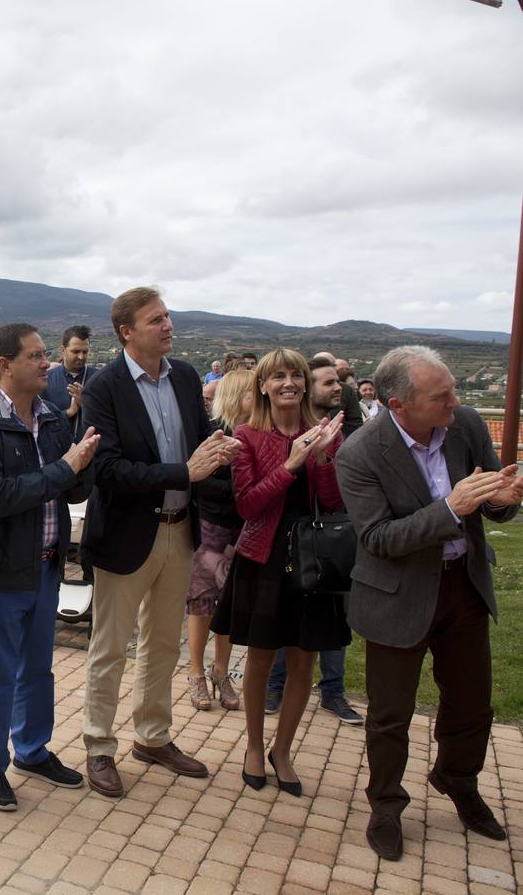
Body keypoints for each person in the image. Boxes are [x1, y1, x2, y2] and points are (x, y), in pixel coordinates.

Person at [337, 345, 521, 861]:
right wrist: (450, 509)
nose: (456, 402)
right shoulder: (360, 453)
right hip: (396, 596)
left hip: (463, 586)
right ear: (399, 404)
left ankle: (457, 779)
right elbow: (377, 538)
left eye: (454, 391)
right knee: (390, 715)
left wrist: (504, 500)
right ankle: (387, 805)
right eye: (443, 395)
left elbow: (493, 496)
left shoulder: (464, 425)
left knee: (471, 702)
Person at [78, 287, 237, 799]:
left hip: (179, 529)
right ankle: (99, 747)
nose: (169, 325)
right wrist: (182, 470)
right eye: (156, 319)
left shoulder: (187, 376)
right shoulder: (105, 387)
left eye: (168, 317)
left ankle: (152, 737)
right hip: (127, 535)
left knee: (164, 643)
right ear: (127, 331)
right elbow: (105, 468)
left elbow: (200, 443)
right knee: (109, 648)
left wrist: (221, 449)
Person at [0, 323, 100, 811]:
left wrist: (86, 463)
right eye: (38, 355)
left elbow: (72, 489)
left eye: (47, 354)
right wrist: (66, 468)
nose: (49, 364)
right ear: (6, 365)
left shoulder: (52, 416)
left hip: (46, 568)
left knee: (39, 671)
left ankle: (32, 751)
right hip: (1, 573)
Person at [210, 348, 347, 798]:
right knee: (262, 658)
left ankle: (282, 750)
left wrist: (322, 458)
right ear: (263, 386)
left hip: (314, 560)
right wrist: (291, 464)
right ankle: (253, 746)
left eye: (296, 375)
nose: (288, 383)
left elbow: (333, 503)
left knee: (303, 658)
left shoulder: (324, 433)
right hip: (264, 557)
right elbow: (248, 504)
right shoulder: (248, 436)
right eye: (278, 377)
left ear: (306, 384)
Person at [262, 355, 365, 725]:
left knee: (332, 619)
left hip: (333, 538)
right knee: (283, 621)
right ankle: (276, 685)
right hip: (287, 543)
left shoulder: (348, 432)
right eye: (327, 383)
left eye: (339, 383)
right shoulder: (274, 432)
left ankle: (333, 692)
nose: (336, 388)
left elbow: (337, 495)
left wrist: (324, 456)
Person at [184, 368, 252, 711]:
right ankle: (196, 672)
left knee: (230, 605)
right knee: (202, 604)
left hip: (243, 532)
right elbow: (201, 481)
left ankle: (221, 671)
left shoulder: (255, 433)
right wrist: (244, 490)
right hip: (211, 531)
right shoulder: (214, 434)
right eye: (252, 391)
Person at [42, 324, 97, 433]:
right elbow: (40, 421)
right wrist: (68, 413)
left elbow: (109, 418)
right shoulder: (46, 380)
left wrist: (86, 404)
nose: (81, 357)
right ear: (63, 350)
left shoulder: (99, 379)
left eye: (85, 352)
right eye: (76, 351)